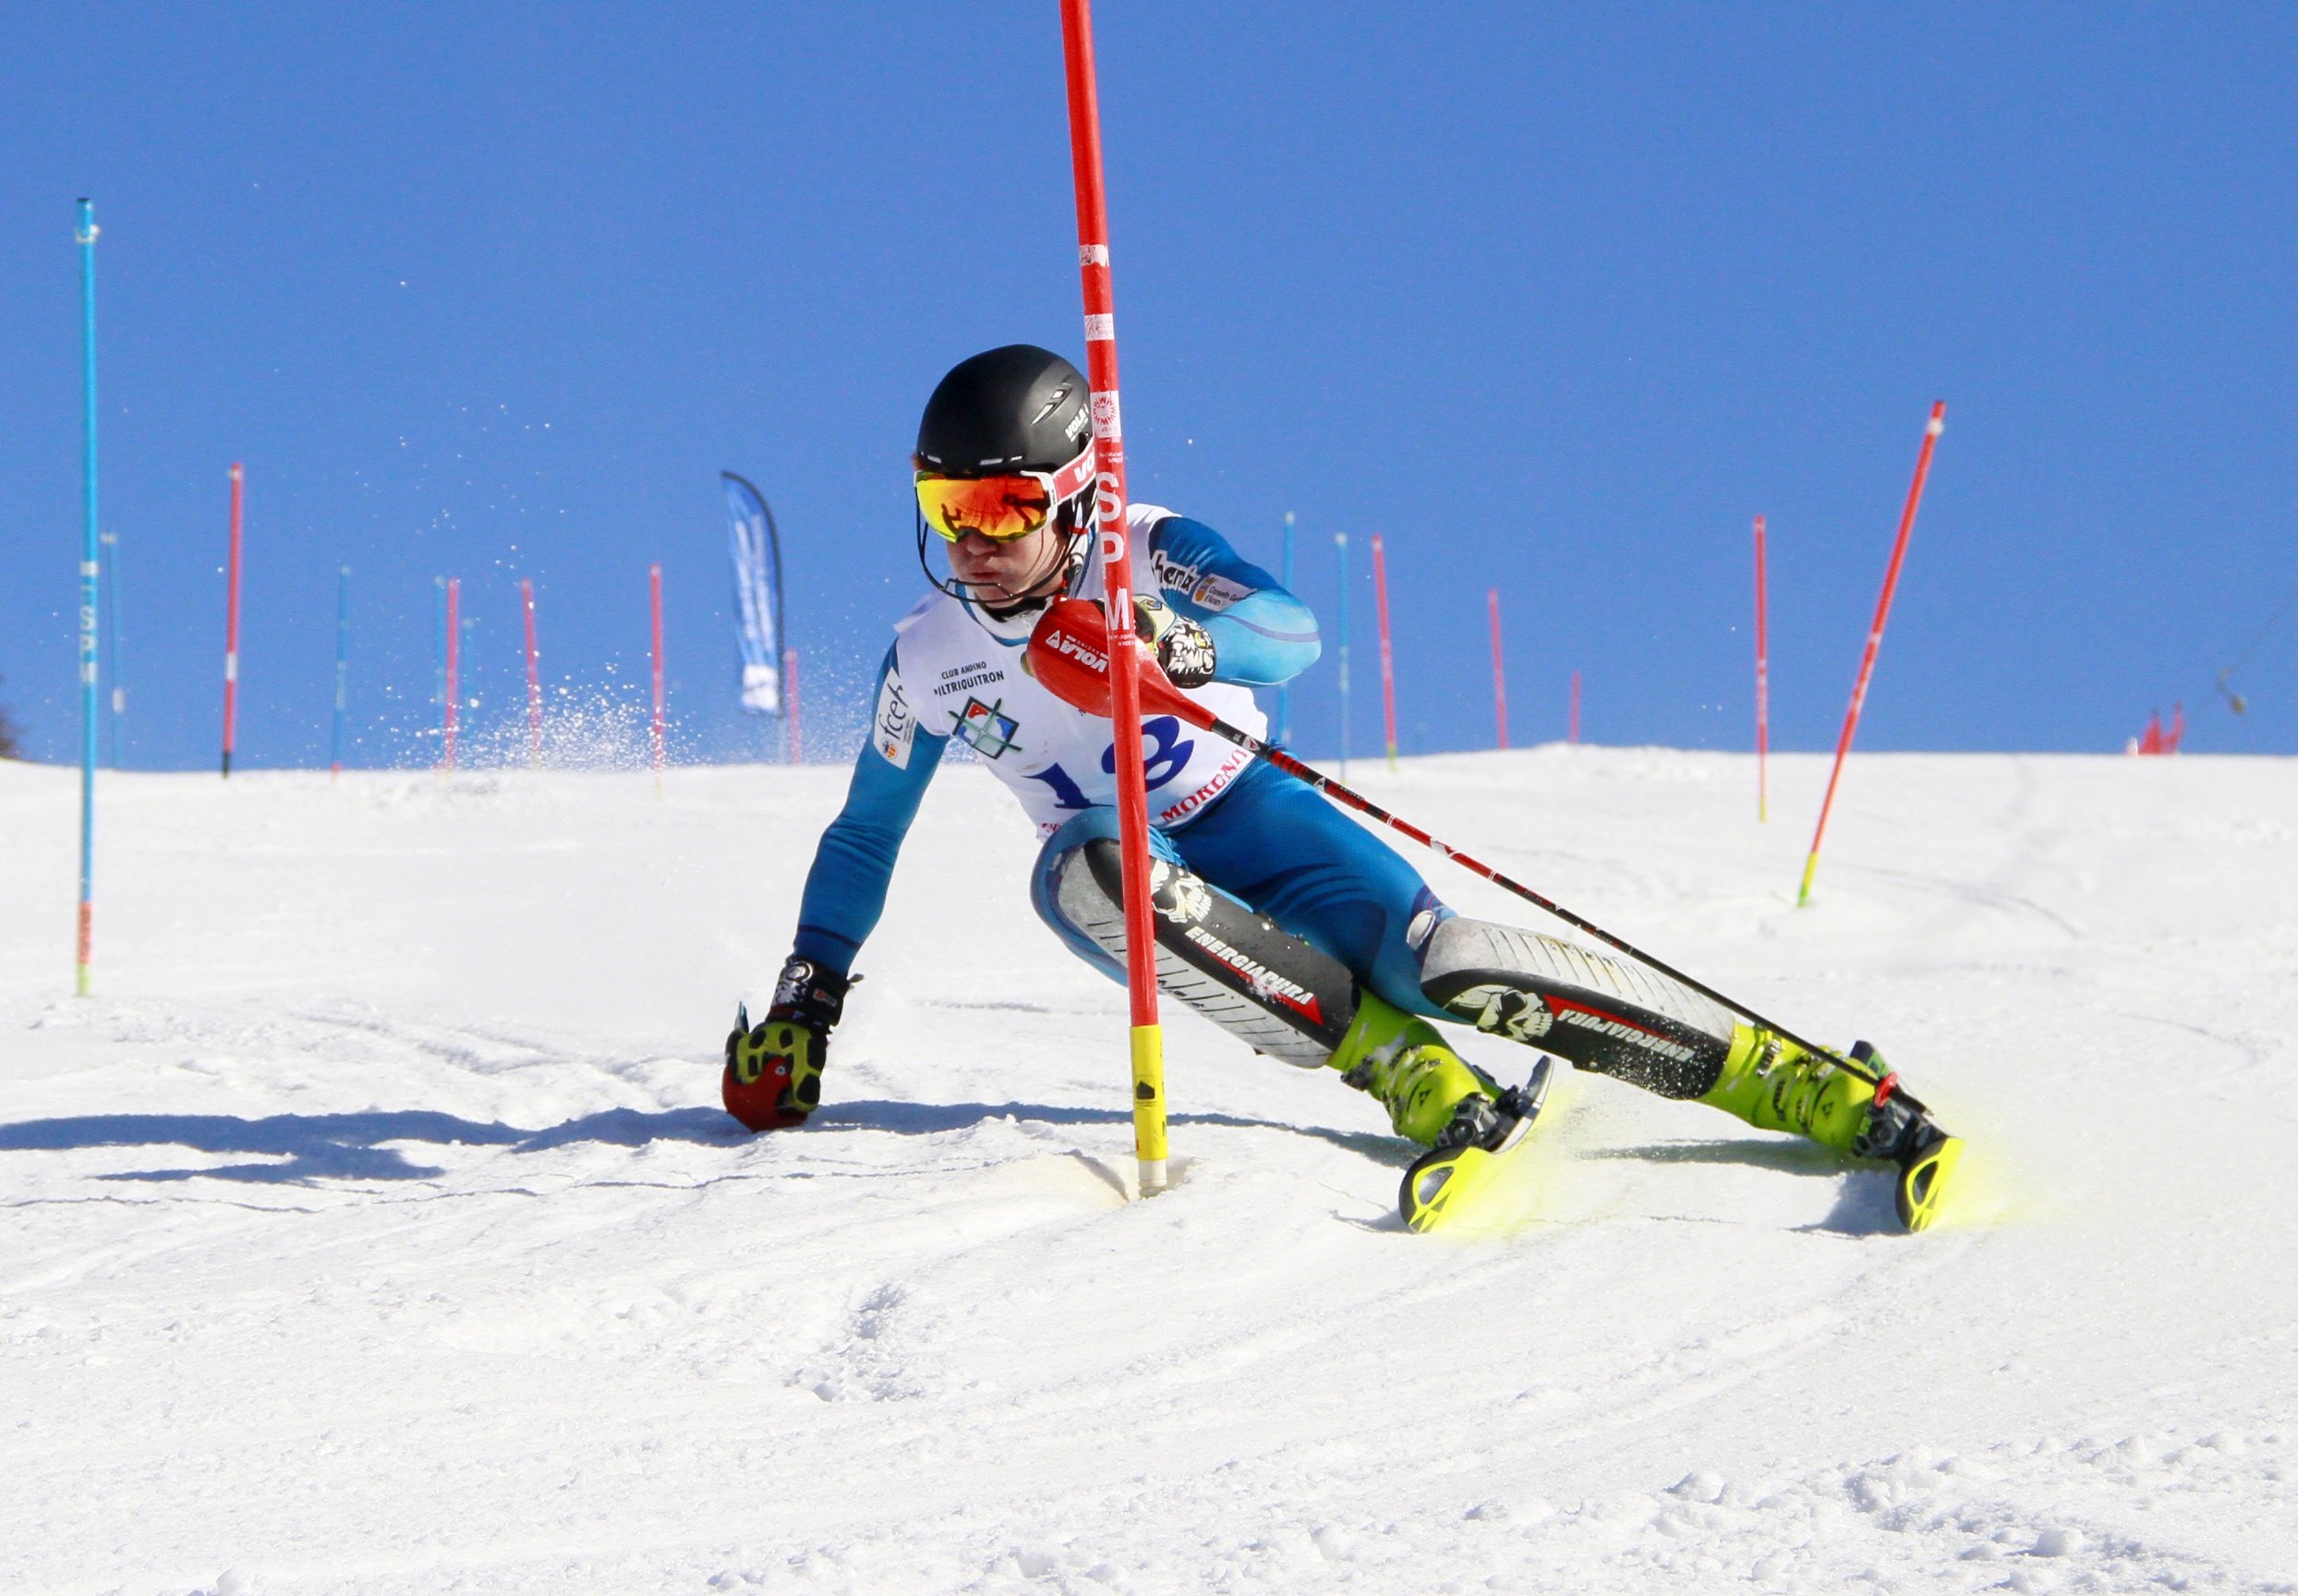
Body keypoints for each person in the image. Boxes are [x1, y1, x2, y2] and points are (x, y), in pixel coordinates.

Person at [725, 345, 1959, 1230]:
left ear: (1071, 495)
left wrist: (1170, 648)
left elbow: (1293, 633)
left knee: (1454, 963)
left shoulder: (1150, 549)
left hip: (1258, 816)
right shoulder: (929, 658)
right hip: (1140, 887)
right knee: (1080, 873)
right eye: (948, 508)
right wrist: (808, 997)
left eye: (1003, 506)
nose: (975, 543)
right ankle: (1414, 1081)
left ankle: (1798, 1085)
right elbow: (865, 836)